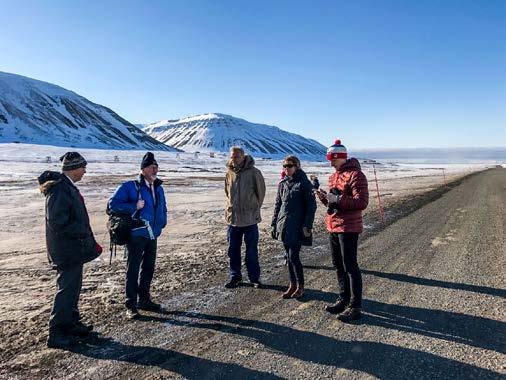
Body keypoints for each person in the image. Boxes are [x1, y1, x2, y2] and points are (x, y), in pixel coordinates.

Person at [38, 152, 102, 348]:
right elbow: (58, 221)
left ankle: (71, 323)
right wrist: (82, 230)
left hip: (72, 248)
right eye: (83, 167)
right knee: (66, 290)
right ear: (74, 168)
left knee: (73, 288)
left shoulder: (65, 187)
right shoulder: (59, 190)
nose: (85, 171)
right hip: (66, 250)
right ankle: (56, 332)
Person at [108, 152, 167, 319]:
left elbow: (163, 207)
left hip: (152, 234)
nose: (155, 169)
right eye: (151, 167)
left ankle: (144, 299)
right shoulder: (130, 186)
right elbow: (112, 205)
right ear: (143, 169)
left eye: (156, 166)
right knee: (132, 269)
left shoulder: (158, 187)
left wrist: (163, 222)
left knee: (148, 268)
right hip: (136, 234)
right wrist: (134, 205)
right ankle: (131, 304)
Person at [315, 139, 369, 322]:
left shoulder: (356, 175)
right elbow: (333, 204)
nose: (330, 163)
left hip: (349, 226)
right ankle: (344, 299)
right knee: (338, 265)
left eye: (332, 159)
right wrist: (325, 198)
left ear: (341, 157)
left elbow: (362, 202)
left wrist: (337, 200)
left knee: (350, 266)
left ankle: (356, 306)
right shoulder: (333, 177)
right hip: (333, 225)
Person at [271, 156, 317, 299]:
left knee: (293, 256)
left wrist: (307, 225)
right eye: (284, 166)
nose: (286, 168)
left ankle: (300, 286)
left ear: (297, 166)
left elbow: (311, 206)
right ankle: (292, 284)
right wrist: (274, 224)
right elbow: (278, 205)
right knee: (288, 256)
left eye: (289, 166)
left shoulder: (304, 183)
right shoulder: (283, 184)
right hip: (284, 225)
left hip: (298, 225)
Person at [224, 146, 266, 288]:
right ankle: (235, 277)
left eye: (236, 157)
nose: (233, 159)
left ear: (243, 157)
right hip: (233, 220)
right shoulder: (229, 173)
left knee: (251, 251)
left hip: (249, 220)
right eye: (232, 157)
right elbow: (227, 193)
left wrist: (252, 209)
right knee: (233, 251)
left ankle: (254, 278)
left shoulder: (254, 173)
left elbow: (261, 194)